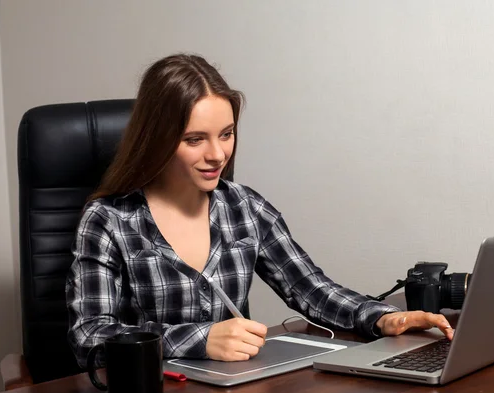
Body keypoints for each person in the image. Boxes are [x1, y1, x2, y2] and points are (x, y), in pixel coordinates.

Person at [66, 53, 453, 368]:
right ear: (157, 139)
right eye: (194, 139)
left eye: (227, 133)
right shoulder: (109, 220)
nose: (217, 155)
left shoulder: (244, 207)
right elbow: (90, 338)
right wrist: (200, 339)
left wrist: (382, 317)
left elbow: (311, 289)